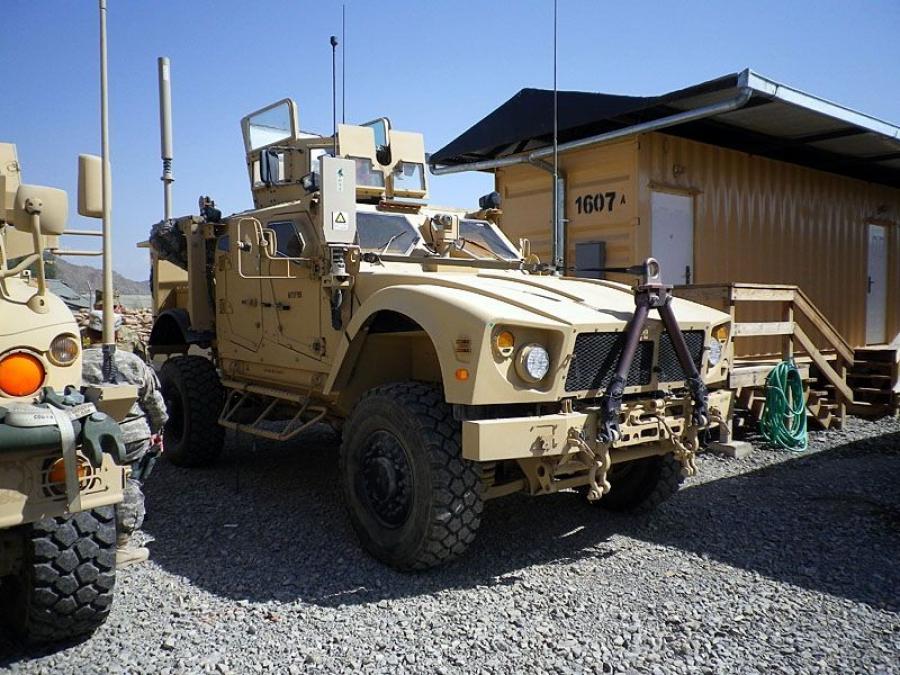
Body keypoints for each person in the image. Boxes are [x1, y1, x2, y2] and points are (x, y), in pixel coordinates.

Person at [81, 309, 168, 568]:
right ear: (118, 334)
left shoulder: (75, 362)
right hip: (131, 435)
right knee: (129, 483)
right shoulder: (133, 362)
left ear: (88, 334)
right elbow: (154, 402)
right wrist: (159, 428)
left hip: (88, 435)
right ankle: (121, 546)